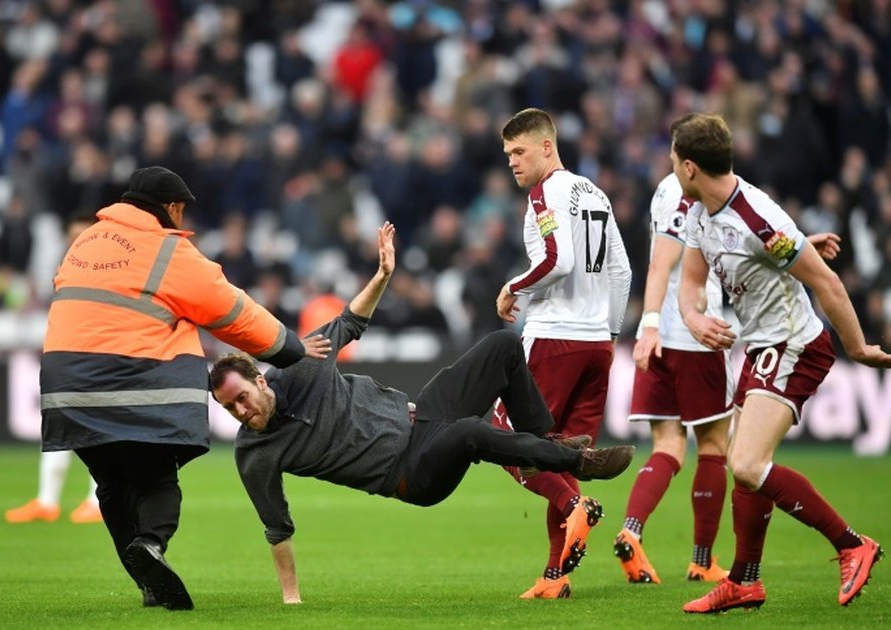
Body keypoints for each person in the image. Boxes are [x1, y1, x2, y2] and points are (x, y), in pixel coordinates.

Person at [209, 222, 636, 604]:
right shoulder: (255, 454)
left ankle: (549, 445)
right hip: (410, 473)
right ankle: (580, 461)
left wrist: (382, 276)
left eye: (241, 398)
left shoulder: (302, 365)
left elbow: (350, 322)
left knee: (502, 347)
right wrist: (291, 599)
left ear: (261, 380)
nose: (240, 411)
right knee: (471, 431)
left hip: (422, 416)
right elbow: (277, 527)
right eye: (230, 408)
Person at [40, 166, 330, 611]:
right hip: (131, 379)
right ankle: (152, 545)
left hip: (64, 385)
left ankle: (150, 582)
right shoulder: (167, 251)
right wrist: (290, 348)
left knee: (113, 485)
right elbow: (233, 311)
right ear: (173, 208)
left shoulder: (85, 241)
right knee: (155, 476)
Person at [669, 113, 891, 613]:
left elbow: (828, 284)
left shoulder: (757, 219)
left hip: (795, 344)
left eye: (673, 160)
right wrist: (693, 318)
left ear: (689, 167)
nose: (670, 169)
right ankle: (745, 582)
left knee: (748, 462)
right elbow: (690, 281)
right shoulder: (697, 211)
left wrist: (858, 348)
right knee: (746, 468)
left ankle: (851, 544)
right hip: (762, 345)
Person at [494, 107, 632, 599]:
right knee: (563, 455)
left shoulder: (545, 193)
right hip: (596, 342)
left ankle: (575, 506)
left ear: (547, 147)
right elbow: (622, 273)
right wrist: (610, 335)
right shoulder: (593, 193)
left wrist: (513, 287)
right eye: (507, 153)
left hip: (555, 338)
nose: (512, 162)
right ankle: (556, 577)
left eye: (519, 151)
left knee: (505, 437)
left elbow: (557, 260)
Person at [617, 173, 734, 585]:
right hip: (696, 334)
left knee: (667, 445)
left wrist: (649, 325)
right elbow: (665, 263)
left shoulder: (664, 189)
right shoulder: (699, 194)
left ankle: (632, 529)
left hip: (658, 335)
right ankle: (702, 561)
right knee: (714, 445)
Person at [8, 212, 102, 525]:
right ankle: (47, 501)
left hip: (100, 357)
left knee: (98, 428)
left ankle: (96, 502)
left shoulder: (107, 269)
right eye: (73, 235)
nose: (77, 241)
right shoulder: (65, 267)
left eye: (83, 235)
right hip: (68, 355)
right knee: (58, 425)